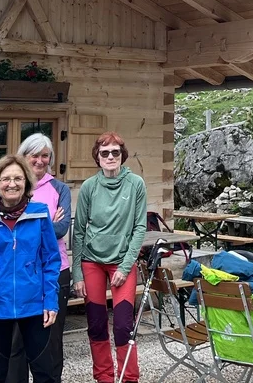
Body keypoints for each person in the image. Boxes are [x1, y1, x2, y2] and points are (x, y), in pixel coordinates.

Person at [0, 154, 61, 383]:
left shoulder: (39, 214)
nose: (12, 184)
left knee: (44, 371)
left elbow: (51, 261)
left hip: (35, 305)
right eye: (6, 178)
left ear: (26, 183)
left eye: (18, 178)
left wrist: (50, 300)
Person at [72, 132, 148, 383]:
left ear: (122, 155)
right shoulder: (89, 187)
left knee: (124, 326)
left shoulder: (135, 183)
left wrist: (125, 268)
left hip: (122, 262)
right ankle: (103, 377)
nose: (110, 157)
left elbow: (140, 228)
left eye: (115, 152)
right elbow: (80, 231)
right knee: (95, 323)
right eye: (105, 152)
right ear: (97, 156)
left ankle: (129, 378)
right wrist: (77, 274)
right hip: (92, 261)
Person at [6, 134, 72, 383]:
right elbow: (7, 228)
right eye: (34, 154)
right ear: (23, 156)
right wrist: (45, 222)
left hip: (55, 272)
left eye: (45, 155)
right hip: (19, 273)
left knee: (51, 339)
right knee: (17, 341)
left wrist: (27, 224)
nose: (40, 160)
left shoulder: (60, 189)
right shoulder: (13, 186)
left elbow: (61, 228)